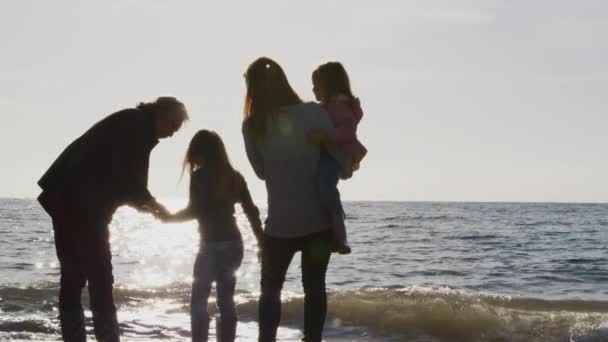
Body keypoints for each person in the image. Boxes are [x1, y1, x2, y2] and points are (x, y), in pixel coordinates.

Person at [37, 97, 188, 342]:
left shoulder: (132, 121)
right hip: (82, 205)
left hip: (65, 199)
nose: (171, 134)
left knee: (73, 277)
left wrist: (150, 207)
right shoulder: (138, 127)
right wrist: (159, 210)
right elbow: (132, 184)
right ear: (160, 113)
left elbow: (126, 185)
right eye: (172, 125)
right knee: (100, 279)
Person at [242, 57, 347, 342]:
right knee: (314, 289)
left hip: (280, 225)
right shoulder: (314, 112)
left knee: (270, 292)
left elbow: (261, 173)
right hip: (318, 223)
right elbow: (336, 156)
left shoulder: (252, 126)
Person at [159, 129, 263, 342]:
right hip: (235, 244)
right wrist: (262, 242)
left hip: (210, 245)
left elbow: (194, 211)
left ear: (200, 152)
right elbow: (251, 211)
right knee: (226, 300)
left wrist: (169, 217)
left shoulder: (199, 177)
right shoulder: (235, 177)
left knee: (198, 301)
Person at [307, 61, 368, 254]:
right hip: (327, 154)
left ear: (329, 85)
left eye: (316, 84)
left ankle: (340, 237)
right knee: (320, 189)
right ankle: (329, 228)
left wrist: (325, 136)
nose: (313, 88)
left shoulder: (339, 105)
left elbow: (348, 132)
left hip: (334, 156)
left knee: (326, 187)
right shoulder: (328, 105)